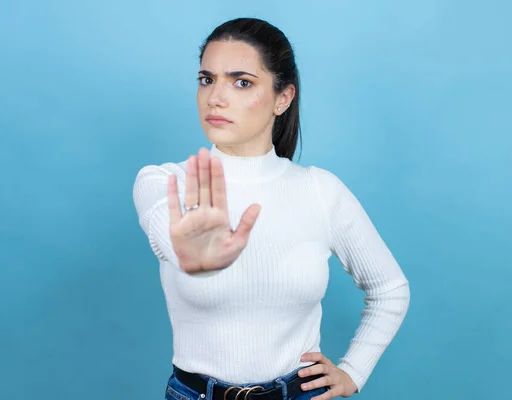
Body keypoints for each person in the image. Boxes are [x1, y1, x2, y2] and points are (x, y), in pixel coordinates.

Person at [132, 17, 410, 400]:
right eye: (206, 79)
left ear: (283, 98)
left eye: (241, 82)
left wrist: (352, 372)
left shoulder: (320, 190)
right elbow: (168, 237)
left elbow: (390, 289)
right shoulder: (163, 182)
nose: (215, 97)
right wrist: (189, 256)